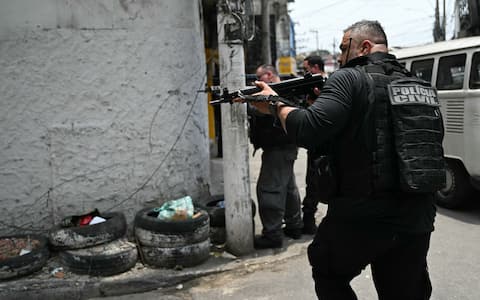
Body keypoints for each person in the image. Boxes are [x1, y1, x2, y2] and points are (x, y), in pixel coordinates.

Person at [242, 20, 442, 299]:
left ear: (365, 46)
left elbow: (308, 130)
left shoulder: (349, 77)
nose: (339, 56)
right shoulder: (420, 84)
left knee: (327, 270)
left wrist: (275, 105)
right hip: (417, 214)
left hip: (363, 212)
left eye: (343, 48)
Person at [248, 64, 303, 249]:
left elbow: (269, 110)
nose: (257, 82)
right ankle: (294, 226)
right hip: (283, 147)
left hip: (279, 148)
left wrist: (250, 103)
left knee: (269, 189)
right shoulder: (286, 90)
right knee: (287, 188)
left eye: (259, 77)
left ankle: (272, 234)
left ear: (269, 75)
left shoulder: (282, 92)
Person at [300, 55, 327, 234]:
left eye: (307, 69)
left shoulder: (329, 84)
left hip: (324, 142)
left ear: (316, 67)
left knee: (317, 182)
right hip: (317, 143)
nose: (305, 73)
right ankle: (308, 222)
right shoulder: (314, 86)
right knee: (313, 183)